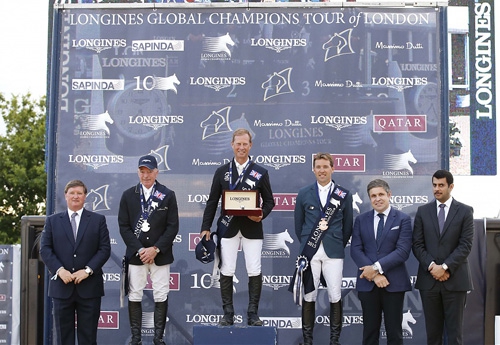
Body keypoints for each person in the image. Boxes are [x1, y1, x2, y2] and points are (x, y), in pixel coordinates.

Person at [200, 128, 275, 326]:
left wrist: (261, 215)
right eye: (238, 144)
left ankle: (252, 314)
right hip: (228, 227)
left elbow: (270, 201)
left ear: (250, 146)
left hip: (252, 228)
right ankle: (228, 314)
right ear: (232, 145)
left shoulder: (261, 172)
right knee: (227, 268)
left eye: (245, 144)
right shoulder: (222, 172)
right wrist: (205, 226)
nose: (241, 147)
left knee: (254, 269)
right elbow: (212, 201)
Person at [290, 152, 353, 345]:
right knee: (309, 295)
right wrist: (311, 243)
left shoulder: (344, 194)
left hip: (334, 252)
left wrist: (334, 243)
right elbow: (298, 226)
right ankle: (308, 340)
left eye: (326, 166)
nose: (322, 170)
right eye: (318, 167)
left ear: (332, 168)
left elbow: (348, 227)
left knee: (335, 295)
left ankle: (335, 341)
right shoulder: (303, 193)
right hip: (310, 253)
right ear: (313, 169)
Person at [40, 179, 111, 345]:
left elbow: (104, 249)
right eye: (72, 193)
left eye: (79, 193)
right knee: (64, 339)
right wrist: (59, 270)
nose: (75, 196)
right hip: (61, 288)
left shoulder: (98, 220)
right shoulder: (52, 221)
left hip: (89, 288)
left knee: (88, 338)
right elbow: (45, 249)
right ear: (65, 195)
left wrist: (87, 271)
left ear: (85, 196)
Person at [118, 155, 179, 345]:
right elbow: (123, 226)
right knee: (135, 294)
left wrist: (156, 249)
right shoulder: (128, 195)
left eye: (149, 171)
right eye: (142, 171)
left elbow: (173, 226)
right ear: (138, 172)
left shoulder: (167, 194)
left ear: (156, 172)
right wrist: (140, 250)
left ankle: (158, 339)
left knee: (161, 294)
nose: (146, 175)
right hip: (137, 256)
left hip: (160, 255)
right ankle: (136, 339)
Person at [412, 169, 474, 345]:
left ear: (451, 186)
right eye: (434, 185)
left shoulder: (465, 211)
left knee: (454, 336)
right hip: (429, 281)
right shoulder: (422, 211)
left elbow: (465, 245)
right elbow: (417, 244)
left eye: (441, 185)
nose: (437, 189)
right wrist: (433, 267)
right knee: (433, 336)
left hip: (455, 281)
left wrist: (445, 267)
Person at [350, 179, 412, 345]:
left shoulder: (403, 219)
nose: (377, 199)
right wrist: (374, 275)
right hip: (368, 284)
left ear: (389, 195)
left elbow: (402, 251)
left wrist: (376, 268)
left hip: (394, 283)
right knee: (370, 333)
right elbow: (355, 249)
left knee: (394, 333)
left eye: (380, 194)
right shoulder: (361, 220)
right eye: (373, 196)